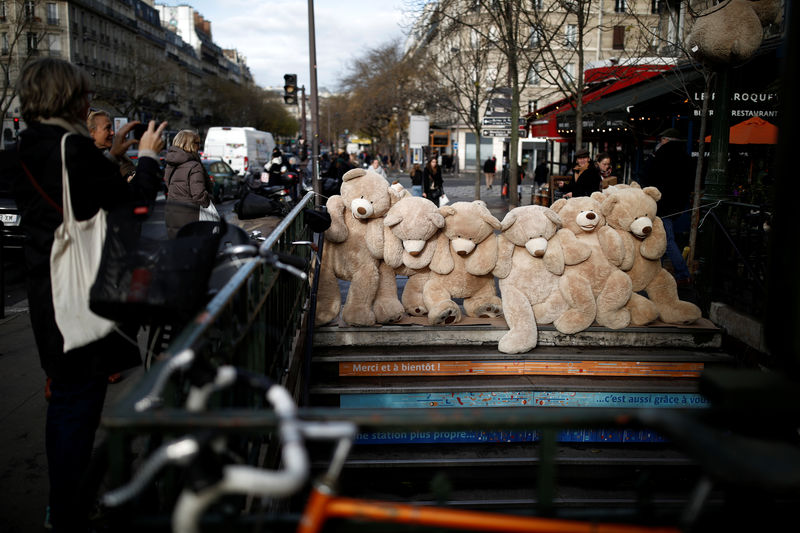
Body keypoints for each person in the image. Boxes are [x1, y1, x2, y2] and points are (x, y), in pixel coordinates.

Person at [12, 57, 167, 532]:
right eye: (82, 95)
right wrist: (146, 157)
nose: (86, 103)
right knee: (77, 407)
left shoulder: (27, 145)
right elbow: (135, 205)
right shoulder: (70, 148)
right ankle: (68, 509)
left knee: (66, 399)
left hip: (47, 294)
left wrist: (111, 157)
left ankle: (65, 504)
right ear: (67, 98)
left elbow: (72, 200)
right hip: (78, 296)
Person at [641, 127, 695, 284]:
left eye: (662, 140)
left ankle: (682, 273)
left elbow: (647, 174)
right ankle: (660, 272)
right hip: (677, 204)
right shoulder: (686, 157)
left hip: (661, 204)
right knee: (663, 237)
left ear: (666, 140)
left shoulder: (661, 155)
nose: (660, 142)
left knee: (666, 239)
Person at [164, 129, 213, 238]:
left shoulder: (170, 163)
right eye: (197, 143)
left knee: (177, 247)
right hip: (190, 215)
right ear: (190, 144)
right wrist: (209, 202)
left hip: (172, 211)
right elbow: (199, 195)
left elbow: (168, 184)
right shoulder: (194, 166)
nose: (199, 146)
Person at [87, 109, 137, 180]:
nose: (112, 132)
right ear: (92, 132)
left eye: (111, 128)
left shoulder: (121, 156)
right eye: (107, 128)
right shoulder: (86, 160)